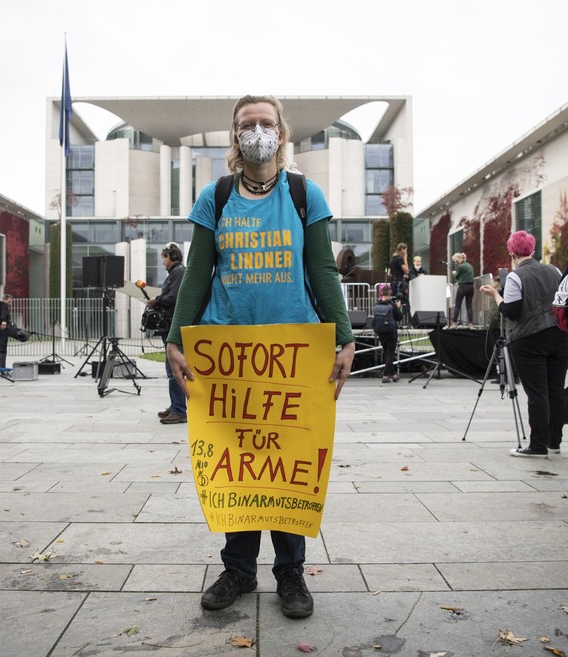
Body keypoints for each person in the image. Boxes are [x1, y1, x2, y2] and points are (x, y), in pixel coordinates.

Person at [163, 95, 356, 619]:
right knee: (241, 466)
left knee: (290, 465)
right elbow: (199, 272)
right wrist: (176, 339)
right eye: (247, 124)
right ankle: (239, 571)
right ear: (235, 135)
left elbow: (322, 270)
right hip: (229, 356)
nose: (257, 131)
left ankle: (290, 573)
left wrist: (344, 336)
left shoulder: (303, 194)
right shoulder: (216, 196)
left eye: (265, 123)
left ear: (281, 133)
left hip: (294, 355)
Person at [480, 231, 568, 458]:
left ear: (512, 253)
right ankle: (554, 442)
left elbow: (512, 311)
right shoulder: (555, 271)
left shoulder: (515, 277)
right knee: (556, 390)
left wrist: (495, 295)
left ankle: (537, 445)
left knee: (537, 392)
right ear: (532, 250)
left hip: (529, 339)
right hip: (560, 335)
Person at [149, 243, 187, 425]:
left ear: (170, 257)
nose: (163, 262)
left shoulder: (178, 272)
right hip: (169, 326)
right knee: (170, 369)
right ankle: (175, 406)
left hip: (174, 326)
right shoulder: (174, 274)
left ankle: (179, 410)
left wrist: (156, 301)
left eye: (164, 258)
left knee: (174, 369)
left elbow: (173, 297)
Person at [374, 283, 404, 383]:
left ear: (381, 294)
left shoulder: (377, 305)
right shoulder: (392, 305)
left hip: (381, 332)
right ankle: (385, 376)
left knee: (386, 352)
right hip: (391, 331)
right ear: (390, 294)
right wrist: (398, 307)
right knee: (390, 353)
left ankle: (394, 374)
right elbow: (399, 317)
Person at [0, 294, 28, 369]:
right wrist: (4, 322)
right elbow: (4, 314)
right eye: (9, 302)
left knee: (2, 349)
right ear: (5, 299)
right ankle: (25, 335)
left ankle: (2, 368)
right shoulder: (3, 305)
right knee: (21, 335)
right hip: (4, 328)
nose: (10, 304)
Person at [450, 252, 474, 329]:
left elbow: (456, 277)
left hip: (462, 287)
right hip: (471, 287)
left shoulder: (461, 267)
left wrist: (454, 273)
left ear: (460, 259)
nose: (456, 263)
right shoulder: (469, 266)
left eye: (456, 261)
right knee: (469, 306)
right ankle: (471, 324)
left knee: (457, 305)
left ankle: (454, 323)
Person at [389, 243, 410, 325]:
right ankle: (407, 322)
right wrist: (405, 259)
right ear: (402, 249)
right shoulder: (400, 259)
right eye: (405, 250)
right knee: (404, 301)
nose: (406, 251)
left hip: (393, 283)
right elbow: (407, 270)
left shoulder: (392, 259)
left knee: (394, 302)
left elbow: (389, 273)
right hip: (399, 283)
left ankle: (394, 321)